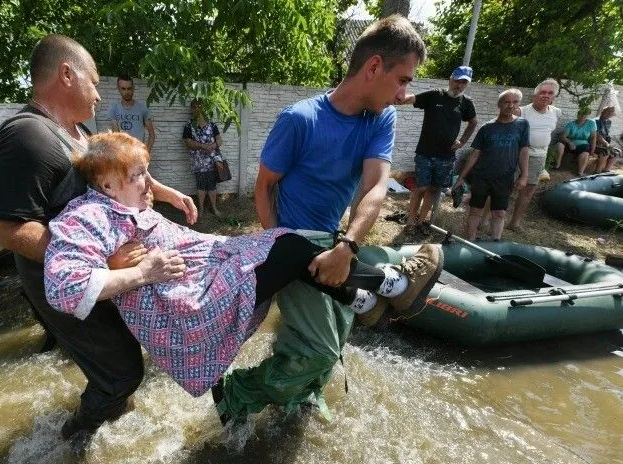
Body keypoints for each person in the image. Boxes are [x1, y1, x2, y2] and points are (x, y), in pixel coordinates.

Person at [45, 132, 414, 399]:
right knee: (290, 249)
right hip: (189, 309)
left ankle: (361, 297)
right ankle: (383, 285)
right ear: (107, 184)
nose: (149, 185)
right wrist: (140, 273)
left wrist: (220, 237)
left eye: (146, 172)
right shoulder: (88, 217)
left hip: (207, 272)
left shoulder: (125, 203)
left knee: (289, 245)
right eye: (139, 175)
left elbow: (191, 241)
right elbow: (63, 289)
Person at [215, 15, 444, 426]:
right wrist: (281, 247)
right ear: (374, 67)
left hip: (336, 242)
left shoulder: (381, 118)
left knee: (337, 336)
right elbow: (264, 188)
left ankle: (302, 396)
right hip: (296, 242)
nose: (404, 93)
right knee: (319, 348)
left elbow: (376, 187)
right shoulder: (299, 119)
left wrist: (347, 246)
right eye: (403, 80)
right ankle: (238, 392)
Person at [0, 34, 197, 444]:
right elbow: (11, 231)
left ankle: (112, 415)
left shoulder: (78, 130)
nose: (99, 95)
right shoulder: (25, 137)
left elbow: (117, 169)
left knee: (121, 360)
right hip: (65, 281)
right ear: (67, 74)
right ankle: (72, 442)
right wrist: (102, 262)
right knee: (123, 371)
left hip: (106, 270)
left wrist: (167, 193)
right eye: (95, 82)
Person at [398, 66, 478, 233]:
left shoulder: (466, 103)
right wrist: (394, 96)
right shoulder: (435, 95)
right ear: (450, 79)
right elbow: (411, 99)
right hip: (425, 152)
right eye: (457, 81)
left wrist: (462, 141)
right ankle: (410, 221)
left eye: (464, 82)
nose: (459, 85)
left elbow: (473, 122)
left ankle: (421, 221)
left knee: (434, 189)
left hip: (446, 156)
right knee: (420, 188)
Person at [453, 89, 529, 241]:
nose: (511, 105)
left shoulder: (522, 125)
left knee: (499, 213)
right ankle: (470, 241)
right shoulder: (487, 127)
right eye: (507, 102)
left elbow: (524, 150)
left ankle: (495, 243)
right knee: (475, 210)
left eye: (515, 102)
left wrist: (524, 175)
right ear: (499, 104)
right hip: (482, 176)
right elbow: (475, 154)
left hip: (505, 177)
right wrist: (461, 178)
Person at [506, 78, 562, 232]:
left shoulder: (556, 113)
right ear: (535, 95)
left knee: (528, 191)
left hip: (539, 157)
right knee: (503, 187)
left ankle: (514, 223)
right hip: (516, 155)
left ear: (554, 97)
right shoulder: (521, 111)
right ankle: (487, 219)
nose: (546, 95)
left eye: (550, 93)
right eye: (543, 92)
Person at [183, 99, 224, 218]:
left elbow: (219, 140)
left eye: (200, 107)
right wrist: (203, 146)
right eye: (194, 107)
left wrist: (214, 145)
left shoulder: (212, 124)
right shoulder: (189, 125)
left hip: (212, 162)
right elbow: (188, 142)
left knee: (212, 186)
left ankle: (214, 208)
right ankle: (200, 209)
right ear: (191, 109)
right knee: (201, 187)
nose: (197, 110)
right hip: (198, 162)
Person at [109, 75, 155, 154]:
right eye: (123, 89)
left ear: (133, 88)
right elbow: (115, 135)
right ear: (118, 89)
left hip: (138, 154)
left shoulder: (142, 108)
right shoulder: (114, 109)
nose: (126, 92)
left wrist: (146, 153)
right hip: (122, 155)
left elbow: (152, 134)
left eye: (129, 88)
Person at [554, 106, 597, 176]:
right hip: (571, 143)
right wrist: (570, 142)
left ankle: (580, 172)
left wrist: (592, 150)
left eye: (584, 114)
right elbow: (563, 136)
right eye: (580, 114)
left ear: (587, 115)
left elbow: (593, 137)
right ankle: (557, 165)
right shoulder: (571, 124)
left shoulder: (591, 124)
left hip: (583, 144)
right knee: (559, 145)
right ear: (577, 114)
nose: (582, 116)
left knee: (585, 154)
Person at [594, 106, 622, 173]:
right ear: (603, 111)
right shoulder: (595, 121)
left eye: (611, 113)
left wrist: (608, 143)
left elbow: (606, 134)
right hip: (594, 143)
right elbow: (597, 136)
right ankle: (597, 171)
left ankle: (606, 170)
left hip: (604, 144)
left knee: (617, 152)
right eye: (608, 112)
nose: (609, 115)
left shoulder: (608, 121)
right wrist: (606, 144)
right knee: (605, 152)